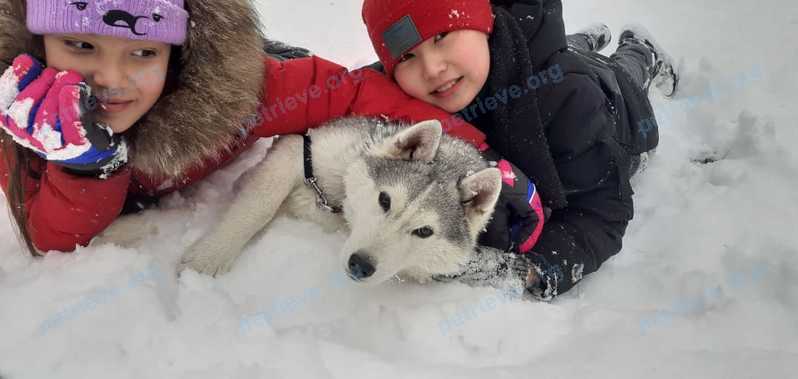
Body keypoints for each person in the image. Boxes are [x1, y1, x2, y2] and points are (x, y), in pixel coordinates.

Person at [0, 0, 509, 256]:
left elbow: (352, 91)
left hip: (276, 61)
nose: (110, 80)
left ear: (178, 56)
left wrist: (475, 154)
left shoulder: (241, 94)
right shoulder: (19, 118)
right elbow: (51, 239)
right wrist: (87, 165)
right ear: (39, 41)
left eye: (142, 52)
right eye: (83, 46)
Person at [362, 0, 679, 300]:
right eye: (406, 57)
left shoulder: (568, 99)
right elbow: (356, 92)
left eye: (442, 36)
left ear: (483, 24)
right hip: (527, 56)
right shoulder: (447, 74)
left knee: (621, 71)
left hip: (618, 114)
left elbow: (601, 211)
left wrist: (535, 268)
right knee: (555, 50)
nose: (431, 68)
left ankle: (640, 48)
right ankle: (586, 39)